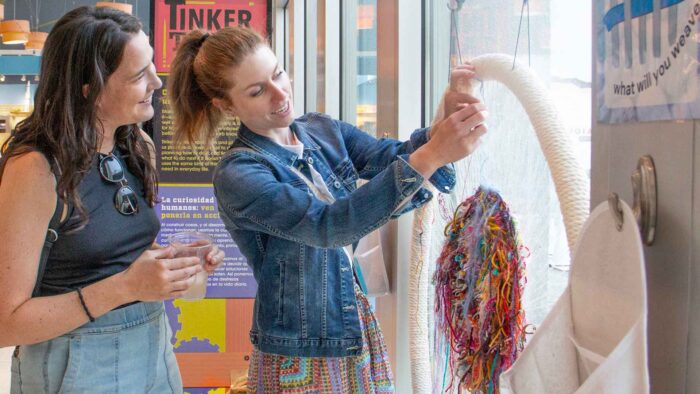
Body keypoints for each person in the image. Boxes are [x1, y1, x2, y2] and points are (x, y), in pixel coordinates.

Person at [169, 26, 487, 392]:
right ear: (225, 105)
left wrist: (442, 127)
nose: (280, 94)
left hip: (353, 323)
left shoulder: (321, 130)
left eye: (278, 74)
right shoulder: (238, 173)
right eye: (257, 91)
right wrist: (434, 152)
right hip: (299, 350)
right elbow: (328, 227)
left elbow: (394, 160)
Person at [0, 6, 224, 393]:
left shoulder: (137, 145)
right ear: (90, 88)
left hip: (155, 345)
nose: (156, 82)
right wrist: (126, 287)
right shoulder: (35, 168)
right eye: (139, 75)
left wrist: (172, 263)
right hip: (75, 362)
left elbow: (112, 253)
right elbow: (6, 322)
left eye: (152, 66)